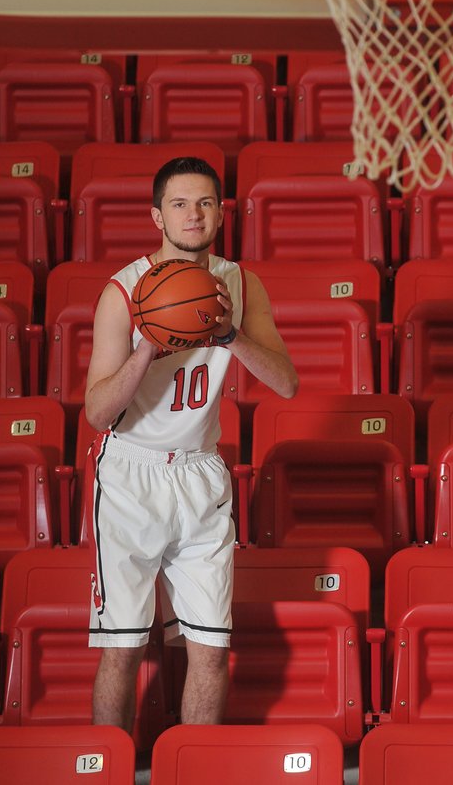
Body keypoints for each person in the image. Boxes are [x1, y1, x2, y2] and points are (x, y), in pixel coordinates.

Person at [84, 156, 299, 735]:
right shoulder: (124, 292)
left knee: (208, 648)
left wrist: (229, 336)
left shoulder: (241, 283)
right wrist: (148, 345)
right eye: (179, 204)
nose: (193, 215)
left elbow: (286, 381)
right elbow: (98, 412)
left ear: (220, 213)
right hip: (132, 472)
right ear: (158, 215)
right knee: (123, 648)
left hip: (202, 472)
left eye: (204, 203)